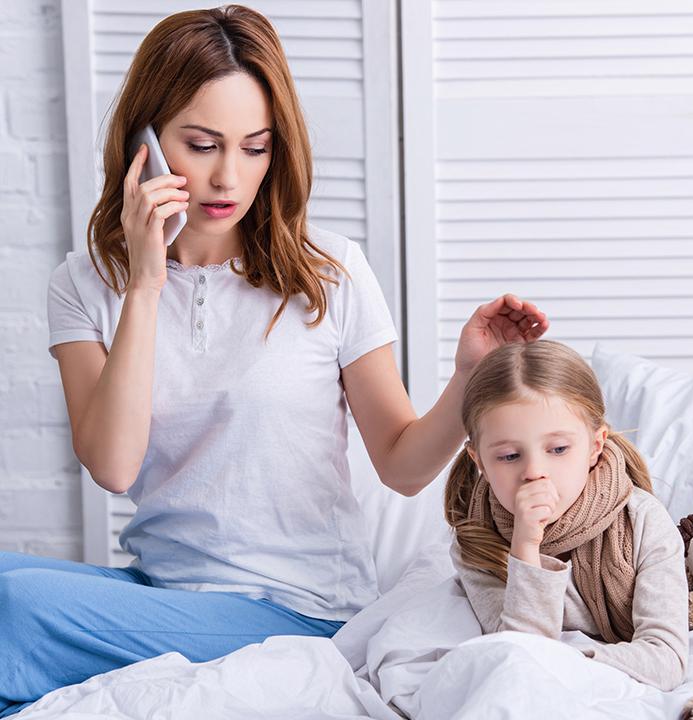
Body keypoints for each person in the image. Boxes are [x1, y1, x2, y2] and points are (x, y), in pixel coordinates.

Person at [0, 5, 549, 716]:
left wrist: (468, 376)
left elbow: (402, 465)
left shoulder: (331, 273)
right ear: (147, 144)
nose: (230, 176)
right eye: (201, 145)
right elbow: (113, 463)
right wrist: (145, 283)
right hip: (163, 594)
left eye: (254, 147)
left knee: (15, 607)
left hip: (297, 611)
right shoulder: (86, 285)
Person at [444, 340, 689, 691]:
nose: (534, 471)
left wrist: (569, 662)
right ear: (479, 461)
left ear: (595, 446)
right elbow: (519, 656)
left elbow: (667, 658)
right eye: (510, 456)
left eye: (558, 449)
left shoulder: (644, 522)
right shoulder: (476, 540)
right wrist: (525, 547)